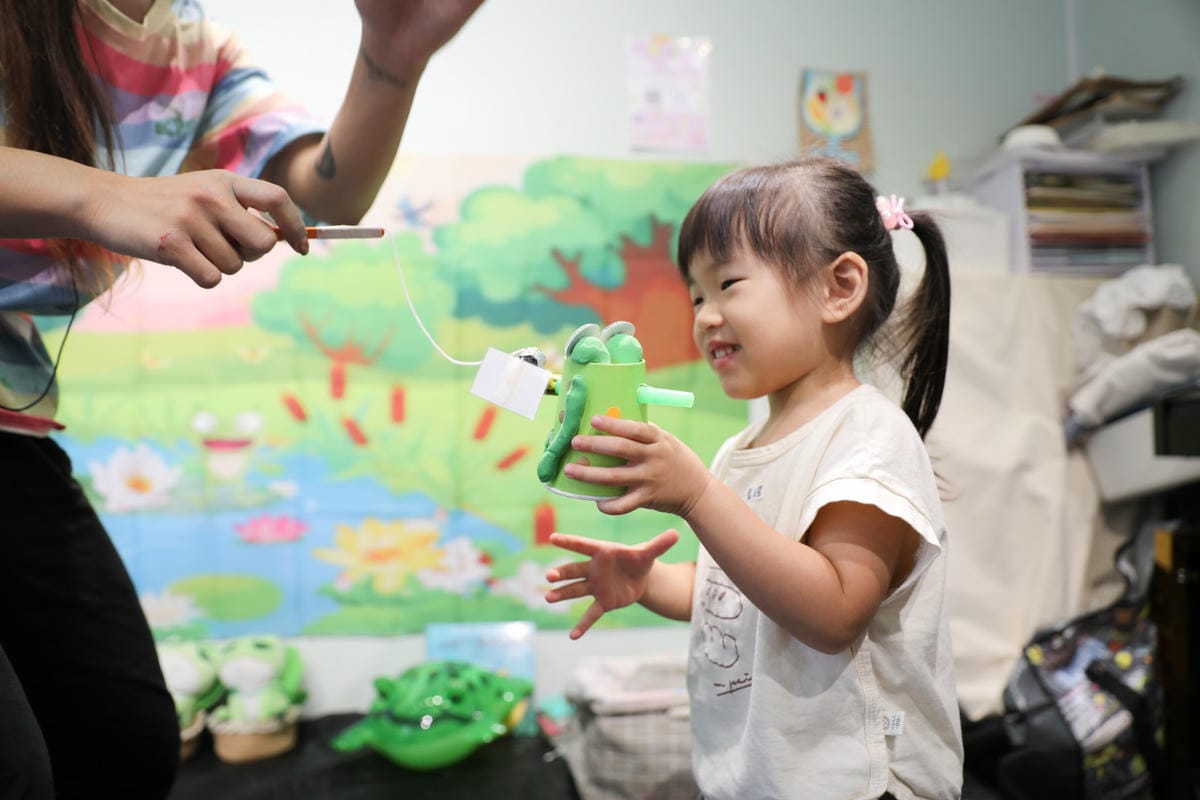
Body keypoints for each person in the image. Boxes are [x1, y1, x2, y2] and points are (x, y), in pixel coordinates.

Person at [0, 0, 483, 796]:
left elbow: (320, 193)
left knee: (121, 740)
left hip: (13, 424)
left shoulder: (192, 46)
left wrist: (392, 59)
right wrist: (98, 194)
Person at [544, 156, 964, 799]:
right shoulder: (741, 449)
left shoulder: (868, 436)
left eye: (729, 284)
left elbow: (832, 612)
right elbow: (733, 594)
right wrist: (647, 580)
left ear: (839, 287)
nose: (707, 315)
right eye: (697, 295)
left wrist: (697, 497)